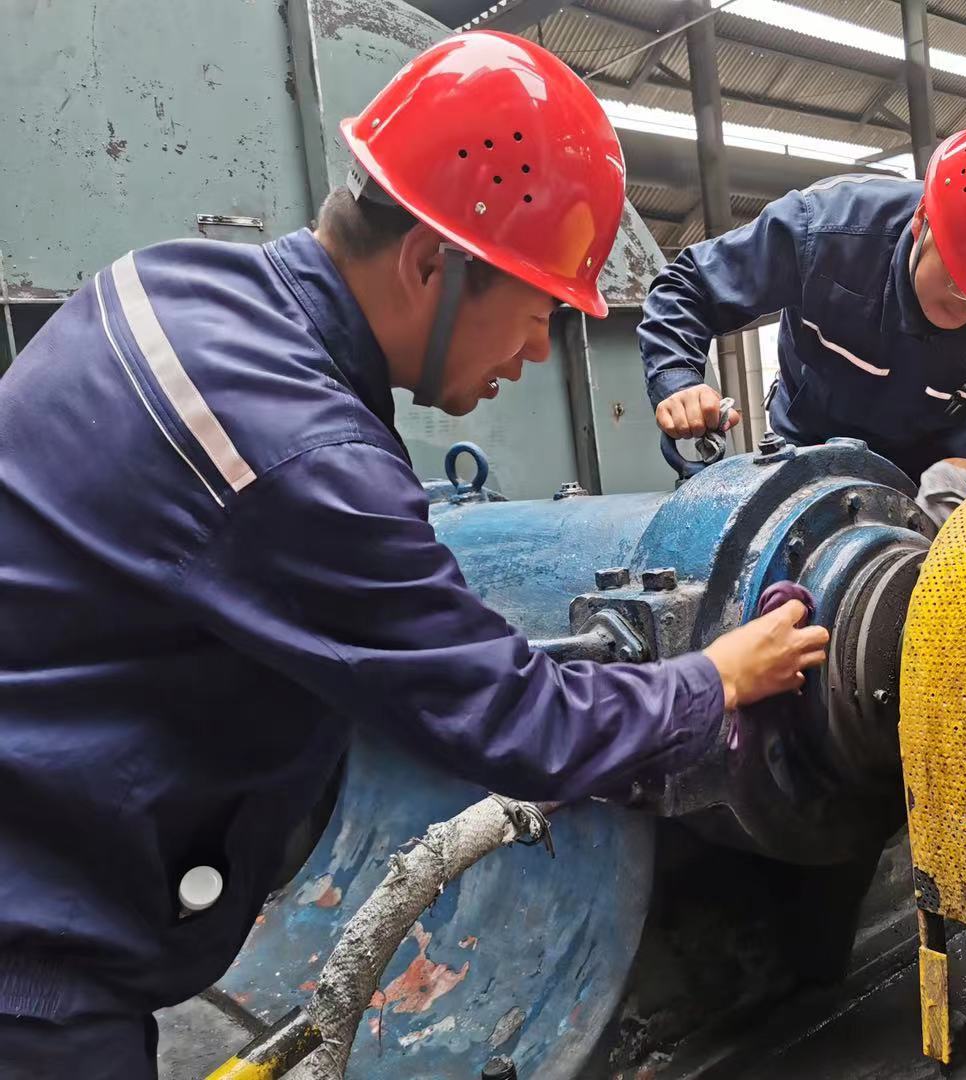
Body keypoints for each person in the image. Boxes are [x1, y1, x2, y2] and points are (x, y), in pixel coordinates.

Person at [0, 32, 828, 1076]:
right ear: (432, 264)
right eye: (537, 309)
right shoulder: (301, 457)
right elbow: (517, 720)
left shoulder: (170, 286)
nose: (537, 349)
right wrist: (714, 679)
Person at [639, 111, 966, 524]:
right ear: (922, 221)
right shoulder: (824, 233)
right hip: (815, 446)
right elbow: (689, 287)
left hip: (948, 467)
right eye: (960, 286)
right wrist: (678, 379)